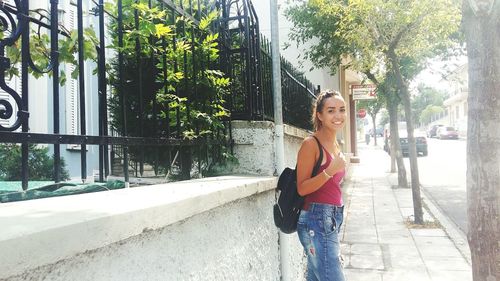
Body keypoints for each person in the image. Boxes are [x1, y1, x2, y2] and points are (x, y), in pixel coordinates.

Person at [296, 89, 347, 281]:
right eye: (331, 110)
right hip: (316, 220)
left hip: (332, 218)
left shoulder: (335, 144)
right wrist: (330, 171)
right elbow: (302, 187)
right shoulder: (311, 144)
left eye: (342, 110)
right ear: (320, 115)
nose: (338, 115)